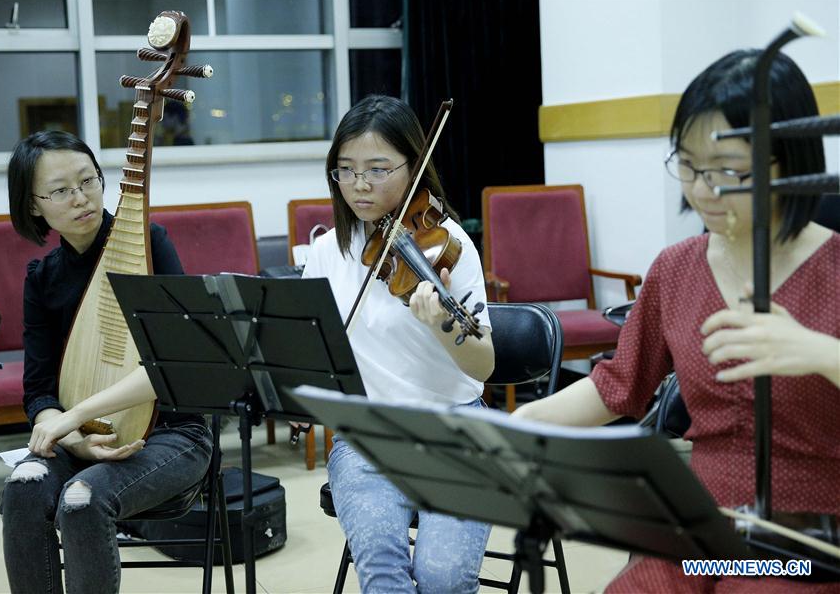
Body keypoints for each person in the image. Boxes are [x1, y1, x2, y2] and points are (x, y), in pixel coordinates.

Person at [514, 49, 840, 592]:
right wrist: (516, 427)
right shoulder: (676, 268)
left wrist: (820, 352)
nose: (703, 189)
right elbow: (617, 388)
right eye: (688, 165)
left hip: (808, 542)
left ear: (791, 160)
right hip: (701, 531)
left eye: (729, 171)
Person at [0, 131, 212, 594]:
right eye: (60, 190)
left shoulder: (149, 244)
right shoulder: (42, 279)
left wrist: (74, 417)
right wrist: (73, 437)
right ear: (34, 205)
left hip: (173, 434)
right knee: (23, 487)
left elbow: (170, 362)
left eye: (89, 181)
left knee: (81, 499)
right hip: (83, 438)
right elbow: (38, 390)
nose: (81, 198)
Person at [303, 94, 495, 592]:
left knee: (443, 577)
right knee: (384, 570)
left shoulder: (450, 244)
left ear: (414, 166)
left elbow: (484, 364)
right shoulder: (327, 252)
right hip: (367, 435)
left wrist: (442, 324)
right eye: (345, 170)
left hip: (458, 431)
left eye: (378, 169)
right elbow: (310, 352)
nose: (359, 185)